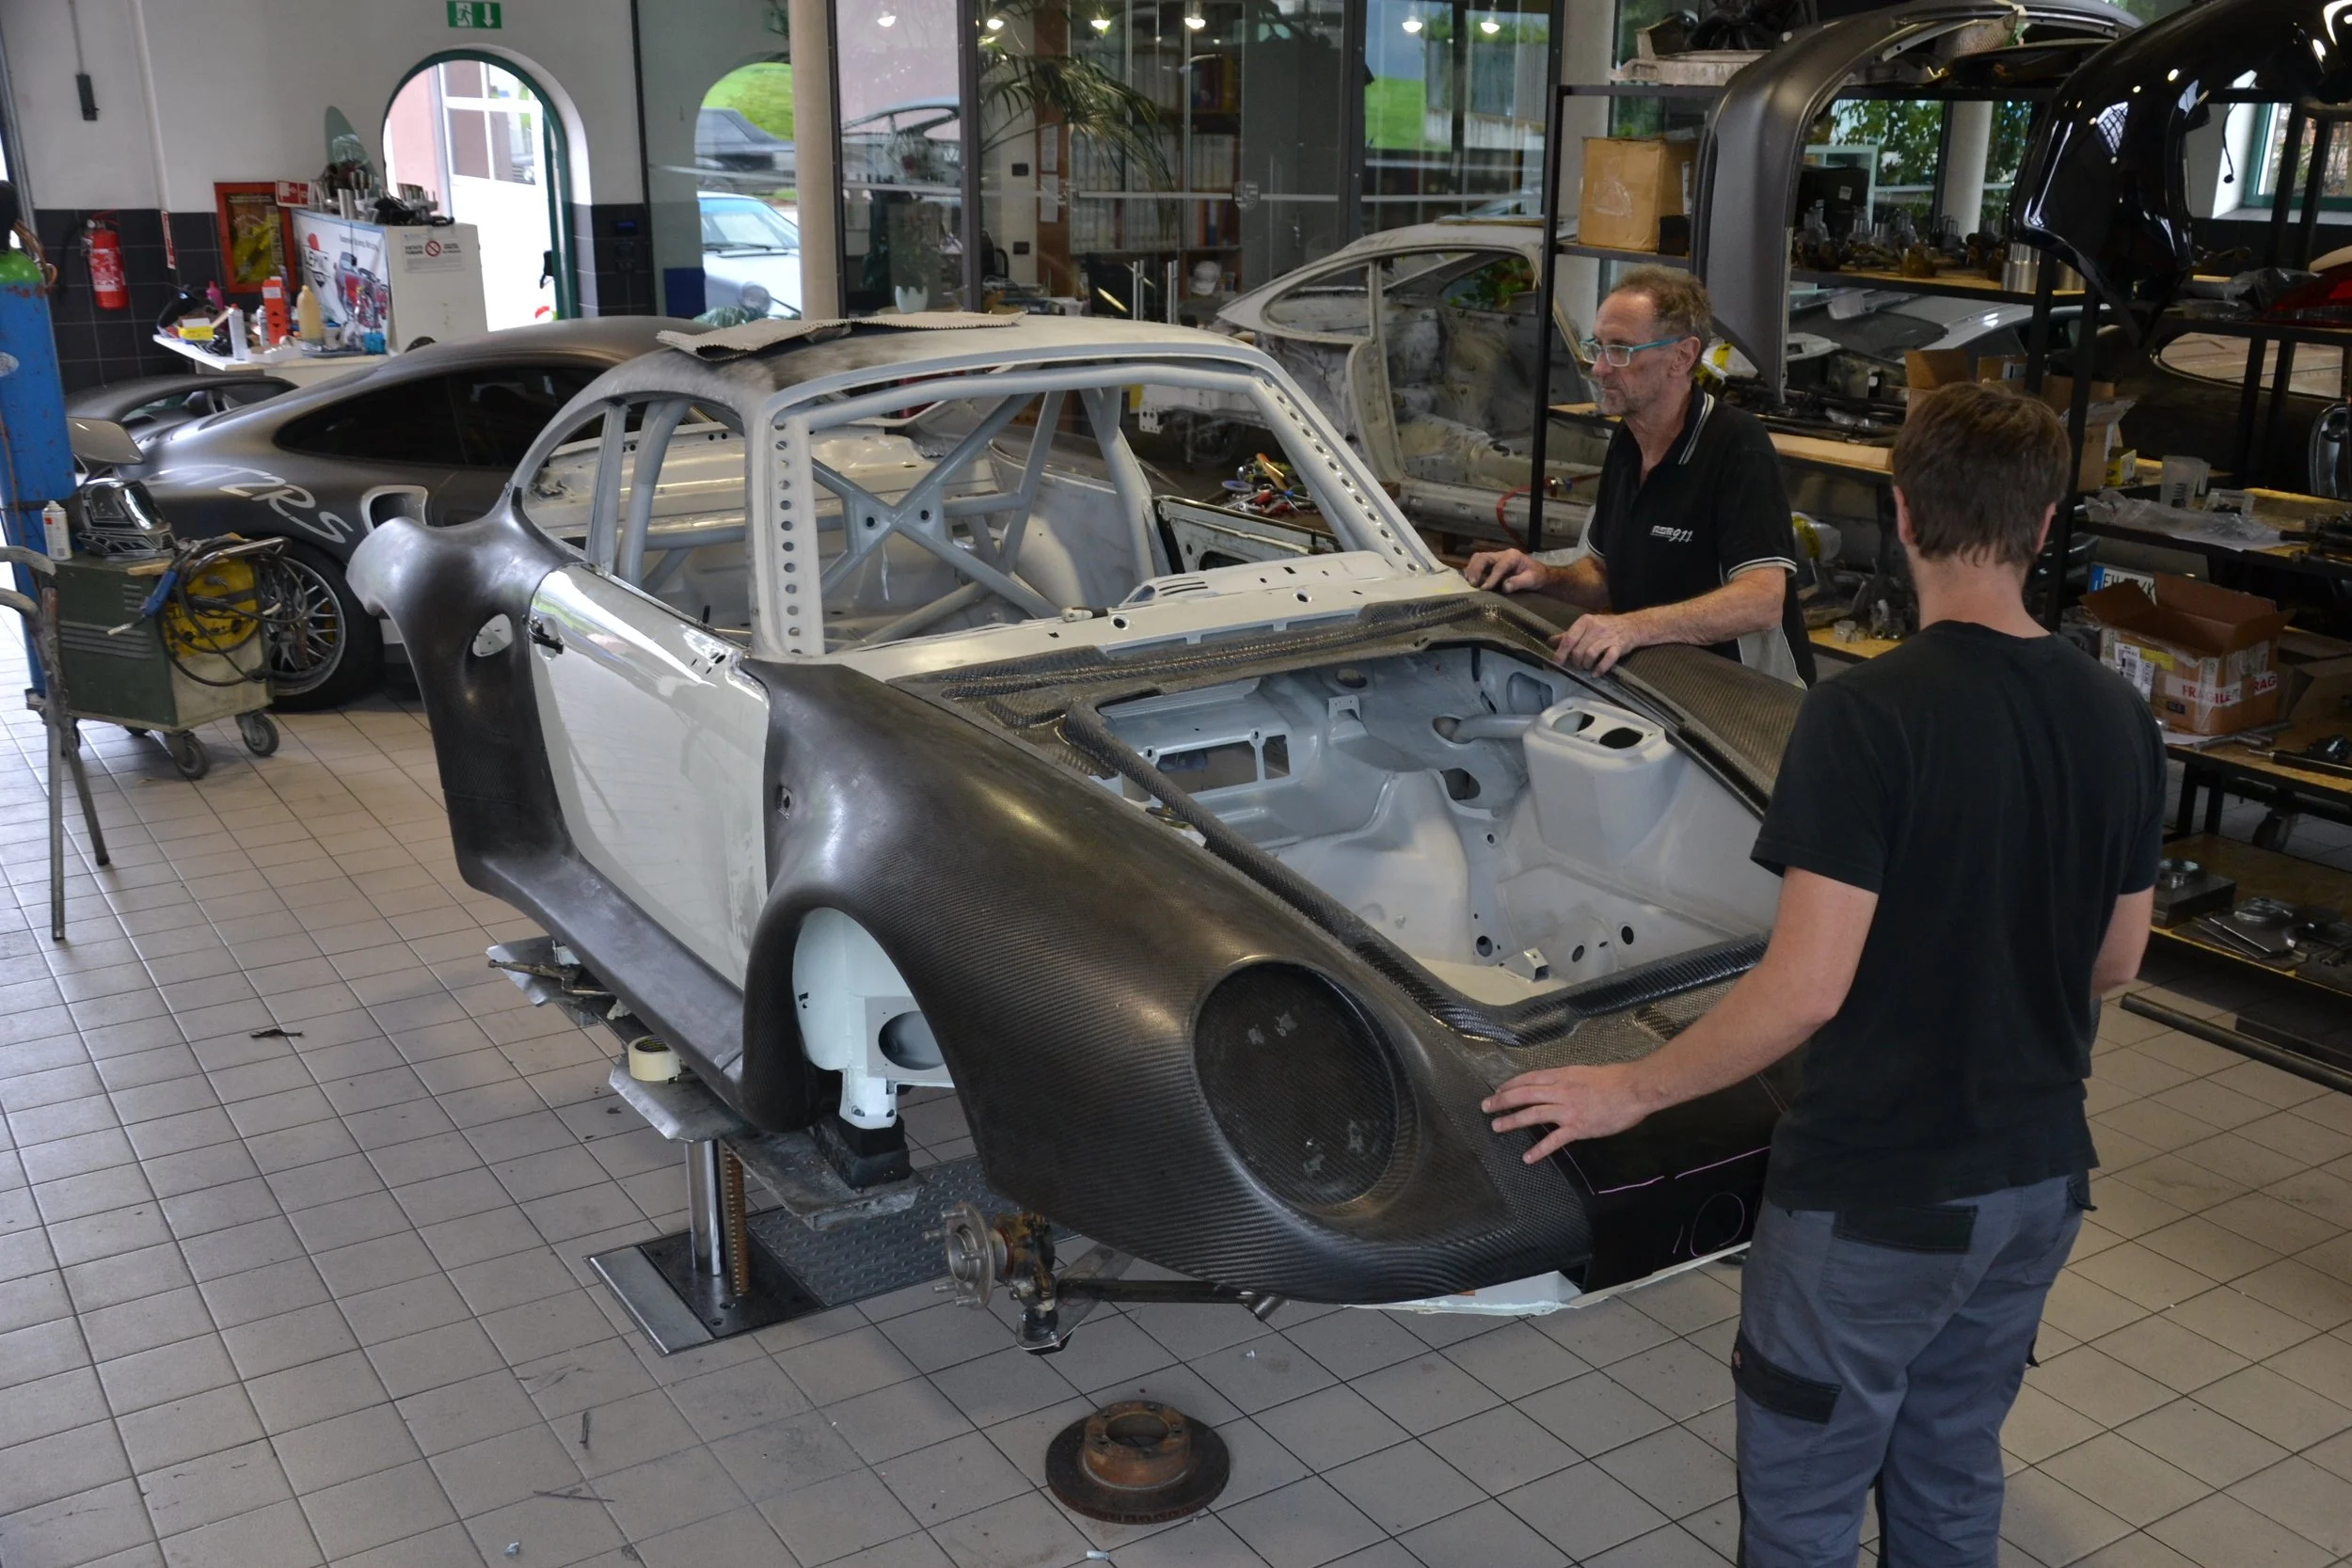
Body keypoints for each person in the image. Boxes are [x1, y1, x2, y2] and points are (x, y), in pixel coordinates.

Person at [1480, 383, 2166, 1567]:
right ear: (2045, 522)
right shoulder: (2118, 715)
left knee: (1803, 1509)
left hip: (1875, 1198)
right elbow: (2117, 957)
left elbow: (1806, 988)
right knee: (1951, 1472)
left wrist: (1625, 1090)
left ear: (1900, 515)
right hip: (2035, 1183)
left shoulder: (1864, 719)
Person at [1465, 267, 1814, 684]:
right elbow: (1606, 574)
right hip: (1664, 680)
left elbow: (1762, 600)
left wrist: (1631, 627)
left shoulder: (1737, 445)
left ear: (1682, 357)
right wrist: (1543, 575)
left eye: (1621, 350)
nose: (1598, 369)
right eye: (1597, 347)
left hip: (1745, 696)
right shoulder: (1628, 442)